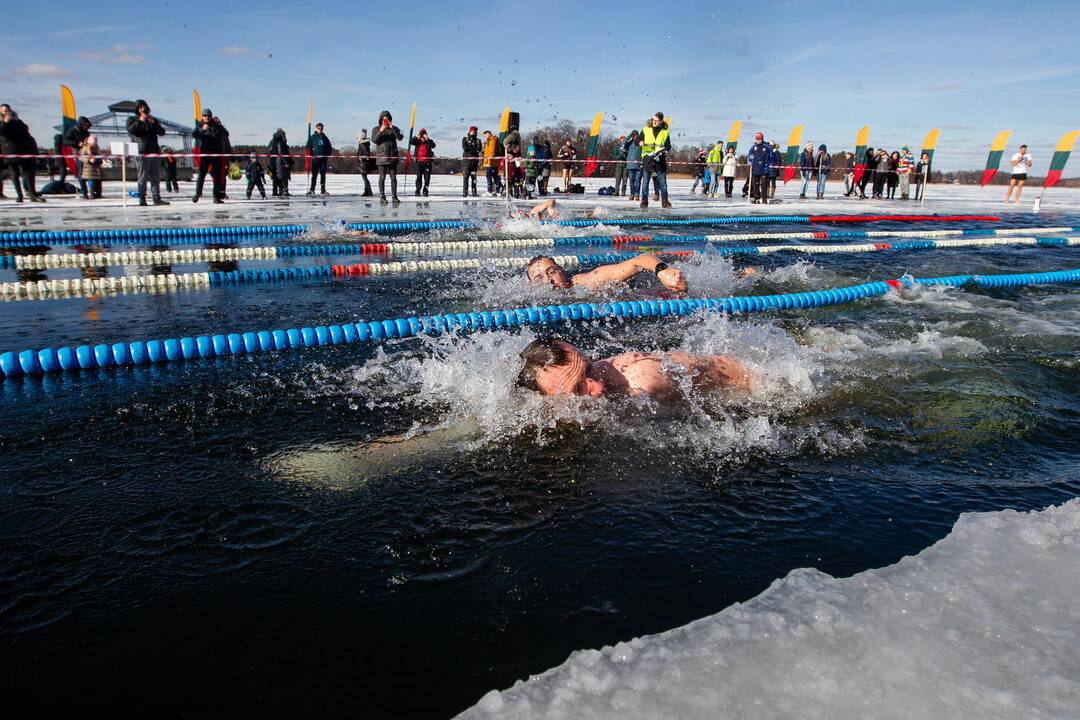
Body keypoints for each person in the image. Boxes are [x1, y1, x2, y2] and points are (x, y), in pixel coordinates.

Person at [516, 336, 752, 400]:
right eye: (578, 390)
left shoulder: (643, 384)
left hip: (750, 382)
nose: (597, 386)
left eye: (589, 370)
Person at [526, 252, 687, 292]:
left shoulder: (589, 281)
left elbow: (639, 260)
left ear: (562, 270)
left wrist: (663, 272)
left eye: (552, 272)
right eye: (539, 278)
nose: (548, 281)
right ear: (530, 284)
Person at [125, 99, 169, 206]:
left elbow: (162, 132)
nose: (142, 110)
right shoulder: (131, 119)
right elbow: (131, 130)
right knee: (142, 177)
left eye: (144, 108)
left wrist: (154, 123)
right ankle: (142, 198)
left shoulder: (152, 120)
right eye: (140, 108)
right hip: (141, 151)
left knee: (155, 177)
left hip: (154, 151)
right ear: (137, 110)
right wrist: (140, 121)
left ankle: (156, 198)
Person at [0, 104, 45, 202]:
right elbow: (1, 131)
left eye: (9, 110)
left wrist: (16, 121)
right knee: (14, 174)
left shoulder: (17, 121)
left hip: (23, 150)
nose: (7, 113)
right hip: (10, 151)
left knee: (28, 173)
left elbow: (25, 132)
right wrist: (5, 122)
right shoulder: (2, 122)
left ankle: (32, 194)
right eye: (5, 111)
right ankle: (19, 195)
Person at [192, 109, 228, 203]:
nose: (206, 117)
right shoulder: (200, 125)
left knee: (217, 177)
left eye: (208, 116)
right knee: (201, 175)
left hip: (216, 155)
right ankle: (198, 193)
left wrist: (219, 125)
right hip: (205, 155)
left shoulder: (216, 125)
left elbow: (226, 134)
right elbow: (194, 135)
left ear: (211, 116)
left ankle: (216, 197)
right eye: (204, 116)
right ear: (202, 117)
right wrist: (202, 129)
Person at [640, 112, 672, 209]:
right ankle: (644, 202)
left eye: (657, 121)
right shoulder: (646, 130)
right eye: (653, 120)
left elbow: (668, 146)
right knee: (645, 182)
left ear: (661, 121)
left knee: (662, 183)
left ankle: (665, 202)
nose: (654, 122)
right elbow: (638, 139)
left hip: (659, 160)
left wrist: (665, 150)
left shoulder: (665, 132)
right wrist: (640, 142)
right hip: (647, 160)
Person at [372, 110, 404, 205]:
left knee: (393, 178)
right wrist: (381, 130)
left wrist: (392, 128)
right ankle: (382, 197)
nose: (385, 121)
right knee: (382, 177)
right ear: (380, 120)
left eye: (387, 119)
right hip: (381, 158)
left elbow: (400, 138)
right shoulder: (376, 129)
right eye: (383, 120)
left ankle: (394, 196)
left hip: (392, 157)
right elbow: (374, 140)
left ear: (390, 119)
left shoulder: (394, 128)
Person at [63, 115, 92, 198]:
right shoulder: (72, 130)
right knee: (81, 172)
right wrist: (76, 143)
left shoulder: (86, 132)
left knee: (90, 172)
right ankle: (84, 192)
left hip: (87, 152)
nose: (86, 127)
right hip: (78, 153)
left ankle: (92, 191)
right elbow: (65, 141)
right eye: (84, 125)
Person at [306, 122, 332, 196]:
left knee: (323, 175)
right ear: (316, 128)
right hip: (315, 159)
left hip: (323, 159)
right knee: (314, 175)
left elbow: (329, 147)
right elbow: (308, 147)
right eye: (318, 128)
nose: (320, 129)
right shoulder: (312, 137)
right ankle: (312, 189)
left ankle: (323, 190)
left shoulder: (325, 137)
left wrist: (327, 155)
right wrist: (311, 155)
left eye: (321, 128)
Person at [408, 128, 435, 197]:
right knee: (419, 177)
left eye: (424, 134)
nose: (422, 136)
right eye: (421, 134)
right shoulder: (417, 141)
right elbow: (411, 141)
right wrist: (417, 136)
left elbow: (433, 145)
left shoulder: (428, 141)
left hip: (427, 163)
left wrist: (427, 139)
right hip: (418, 163)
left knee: (427, 178)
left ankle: (425, 191)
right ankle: (417, 191)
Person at [746, 132, 770, 204]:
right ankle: (756, 198)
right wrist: (750, 161)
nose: (758, 140)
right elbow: (749, 156)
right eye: (757, 139)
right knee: (755, 185)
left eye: (760, 138)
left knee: (763, 184)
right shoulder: (753, 147)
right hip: (755, 169)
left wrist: (767, 165)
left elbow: (770, 158)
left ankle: (764, 198)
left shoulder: (766, 147)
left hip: (763, 169)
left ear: (762, 139)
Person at [268, 128, 292, 197]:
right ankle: (284, 191)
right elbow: (281, 153)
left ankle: (275, 192)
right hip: (280, 163)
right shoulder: (280, 142)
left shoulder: (272, 141)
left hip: (273, 162)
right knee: (283, 177)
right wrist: (285, 162)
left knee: (275, 178)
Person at [79, 135, 104, 199]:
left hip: (96, 168)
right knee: (92, 181)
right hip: (88, 168)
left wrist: (98, 160)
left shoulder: (97, 149)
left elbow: (100, 157)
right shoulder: (85, 148)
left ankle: (98, 194)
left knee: (98, 182)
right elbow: (82, 157)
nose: (94, 144)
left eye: (95, 143)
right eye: (93, 143)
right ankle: (90, 194)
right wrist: (89, 160)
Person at [461, 126, 482, 198]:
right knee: (465, 178)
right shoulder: (465, 139)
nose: (473, 132)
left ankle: (474, 192)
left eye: (474, 131)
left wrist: (472, 149)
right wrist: (473, 149)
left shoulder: (478, 140)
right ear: (469, 131)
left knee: (474, 179)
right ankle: (465, 193)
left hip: (474, 164)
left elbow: (479, 149)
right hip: (466, 164)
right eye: (472, 131)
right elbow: (465, 148)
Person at [481, 130, 502, 196]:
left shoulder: (492, 140)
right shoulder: (490, 140)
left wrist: (490, 159)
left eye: (485, 135)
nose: (485, 136)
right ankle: (499, 190)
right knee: (495, 176)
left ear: (488, 134)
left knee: (489, 176)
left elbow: (492, 151)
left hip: (491, 162)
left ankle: (489, 191)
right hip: (493, 162)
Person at [354, 129, 374, 197]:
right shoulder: (364, 144)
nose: (357, 139)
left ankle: (368, 191)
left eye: (358, 138)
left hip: (363, 164)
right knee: (364, 178)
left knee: (365, 178)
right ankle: (367, 191)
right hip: (363, 163)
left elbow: (366, 152)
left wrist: (364, 157)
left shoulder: (363, 144)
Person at [624, 130, 642, 201]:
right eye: (633, 135)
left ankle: (637, 195)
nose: (634, 137)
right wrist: (629, 135)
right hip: (630, 165)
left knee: (638, 181)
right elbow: (623, 143)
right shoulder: (629, 143)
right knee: (631, 181)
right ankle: (632, 194)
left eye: (635, 135)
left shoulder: (641, 143)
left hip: (638, 165)